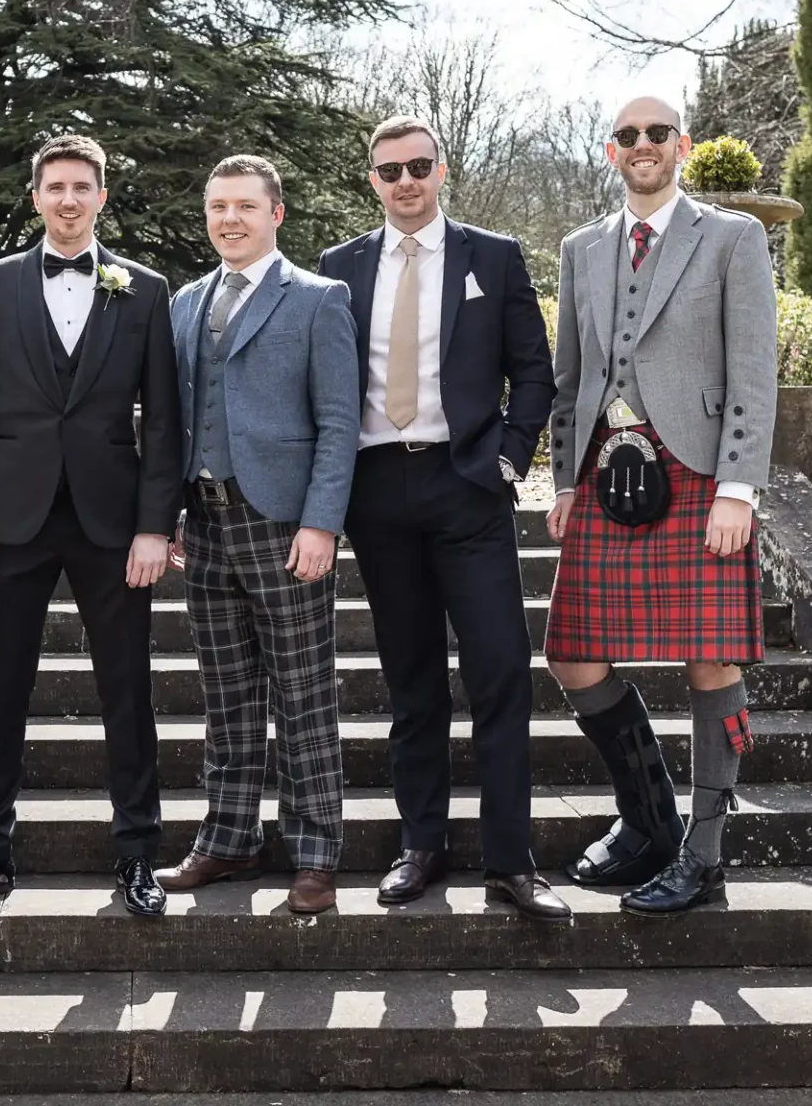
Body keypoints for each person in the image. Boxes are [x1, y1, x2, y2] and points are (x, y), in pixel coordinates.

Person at [317, 114, 567, 922]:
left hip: (468, 489)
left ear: (442, 169)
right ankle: (419, 847)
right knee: (412, 681)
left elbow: (535, 373)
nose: (405, 182)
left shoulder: (491, 257)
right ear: (372, 181)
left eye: (419, 166)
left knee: (499, 672)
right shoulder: (338, 269)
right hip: (379, 493)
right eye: (389, 171)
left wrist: (509, 459)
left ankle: (510, 861)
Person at [544, 95, 777, 916]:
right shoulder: (582, 248)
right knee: (572, 652)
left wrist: (739, 489)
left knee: (710, 660)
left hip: (701, 477)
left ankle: (706, 859)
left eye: (656, 134)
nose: (641, 146)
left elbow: (754, 371)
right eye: (626, 137)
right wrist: (564, 480)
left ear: (682, 146)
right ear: (610, 153)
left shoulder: (732, 238)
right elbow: (570, 378)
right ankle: (650, 823)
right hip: (609, 476)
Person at [0, 134, 182, 917]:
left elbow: (164, 422)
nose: (69, 200)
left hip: (113, 522)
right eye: (55, 187)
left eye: (83, 187)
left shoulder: (145, 290)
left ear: (102, 197)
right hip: (8, 520)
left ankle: (138, 852)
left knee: (128, 689)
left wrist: (156, 524)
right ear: (36, 196)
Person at [155, 156, 358, 915]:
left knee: (303, 695)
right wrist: (168, 509)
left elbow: (339, 421)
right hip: (204, 524)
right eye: (217, 207)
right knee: (226, 693)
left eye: (244, 205)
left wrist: (321, 523)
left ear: (277, 213)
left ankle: (314, 855)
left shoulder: (317, 298)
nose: (229, 219)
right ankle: (229, 838)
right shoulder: (182, 303)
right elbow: (173, 417)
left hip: (284, 523)